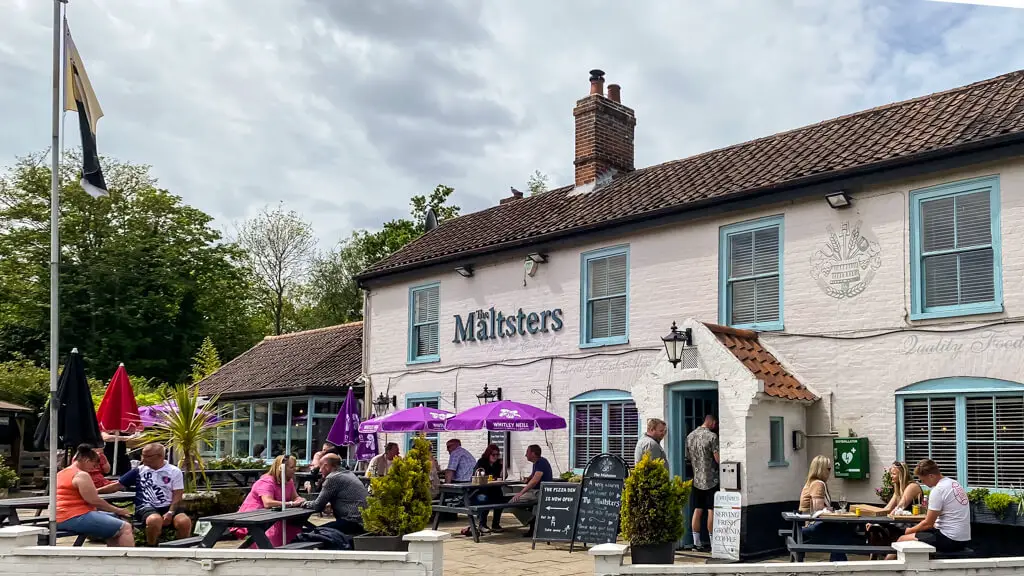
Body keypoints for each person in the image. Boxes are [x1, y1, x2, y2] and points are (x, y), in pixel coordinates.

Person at [55, 444, 134, 547]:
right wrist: (118, 509)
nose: (92, 469)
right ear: (87, 460)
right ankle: (128, 560)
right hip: (75, 516)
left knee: (115, 521)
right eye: (93, 466)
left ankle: (114, 557)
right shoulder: (81, 475)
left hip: (60, 515)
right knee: (125, 527)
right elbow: (94, 500)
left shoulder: (61, 473)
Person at [114, 442, 191, 546]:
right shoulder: (140, 470)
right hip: (146, 506)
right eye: (143, 455)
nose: (143, 459)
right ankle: (151, 546)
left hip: (169, 506)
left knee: (184, 522)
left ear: (160, 456)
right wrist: (96, 491)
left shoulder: (174, 471)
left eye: (147, 456)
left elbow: (178, 494)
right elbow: (118, 485)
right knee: (154, 520)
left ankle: (181, 548)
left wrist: (170, 512)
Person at [890, 459, 970, 557]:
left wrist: (909, 530)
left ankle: (886, 567)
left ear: (931, 476)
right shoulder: (954, 483)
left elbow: (928, 523)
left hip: (949, 539)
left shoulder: (938, 490)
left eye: (923, 480)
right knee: (919, 535)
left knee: (902, 539)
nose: (924, 483)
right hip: (963, 538)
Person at [235, 455, 306, 546]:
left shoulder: (288, 481)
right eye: (292, 467)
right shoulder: (266, 482)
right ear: (281, 468)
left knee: (294, 526)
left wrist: (300, 500)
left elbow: (295, 497)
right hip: (255, 517)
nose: (295, 469)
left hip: (274, 517)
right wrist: (291, 503)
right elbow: (268, 503)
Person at [798, 455, 856, 562]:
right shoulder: (818, 484)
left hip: (805, 523)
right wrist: (831, 510)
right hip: (812, 524)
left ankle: (838, 560)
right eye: (828, 469)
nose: (830, 472)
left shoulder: (812, 482)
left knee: (839, 530)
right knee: (841, 530)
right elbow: (818, 508)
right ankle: (838, 561)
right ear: (821, 469)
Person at [302, 453, 367, 535]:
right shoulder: (349, 473)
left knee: (314, 533)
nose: (320, 471)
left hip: (352, 523)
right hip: (363, 522)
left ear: (326, 466)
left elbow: (317, 506)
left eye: (320, 467)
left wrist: (303, 503)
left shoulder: (333, 478)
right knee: (319, 531)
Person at [868, 461, 925, 546]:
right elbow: (888, 508)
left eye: (894, 474)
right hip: (900, 522)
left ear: (902, 475)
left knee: (882, 528)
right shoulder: (898, 489)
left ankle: (888, 555)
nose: (891, 476)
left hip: (911, 522)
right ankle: (874, 557)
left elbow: (899, 507)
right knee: (874, 528)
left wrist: (880, 522)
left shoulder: (912, 486)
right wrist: (874, 521)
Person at [685, 414, 719, 551]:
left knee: (697, 510)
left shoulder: (690, 436)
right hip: (711, 479)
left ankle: (696, 543)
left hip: (697, 479)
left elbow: (687, 457)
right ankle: (712, 543)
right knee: (711, 509)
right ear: (712, 422)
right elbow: (717, 459)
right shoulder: (712, 437)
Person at [510, 444, 553, 537]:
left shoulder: (542, 462)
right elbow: (533, 476)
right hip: (536, 491)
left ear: (533, 453)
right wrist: (527, 478)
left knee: (511, 503)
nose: (526, 455)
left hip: (540, 492)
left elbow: (535, 480)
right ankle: (531, 521)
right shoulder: (536, 463)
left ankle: (529, 519)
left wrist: (520, 493)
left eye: (527, 452)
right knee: (522, 504)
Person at [466, 444, 506, 535]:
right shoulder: (482, 462)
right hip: (479, 490)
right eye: (493, 455)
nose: (495, 457)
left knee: (501, 499)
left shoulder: (497, 464)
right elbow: (476, 476)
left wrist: (503, 466)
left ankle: (495, 524)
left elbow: (503, 476)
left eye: (497, 455)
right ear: (488, 454)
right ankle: (482, 524)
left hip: (493, 489)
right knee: (484, 499)